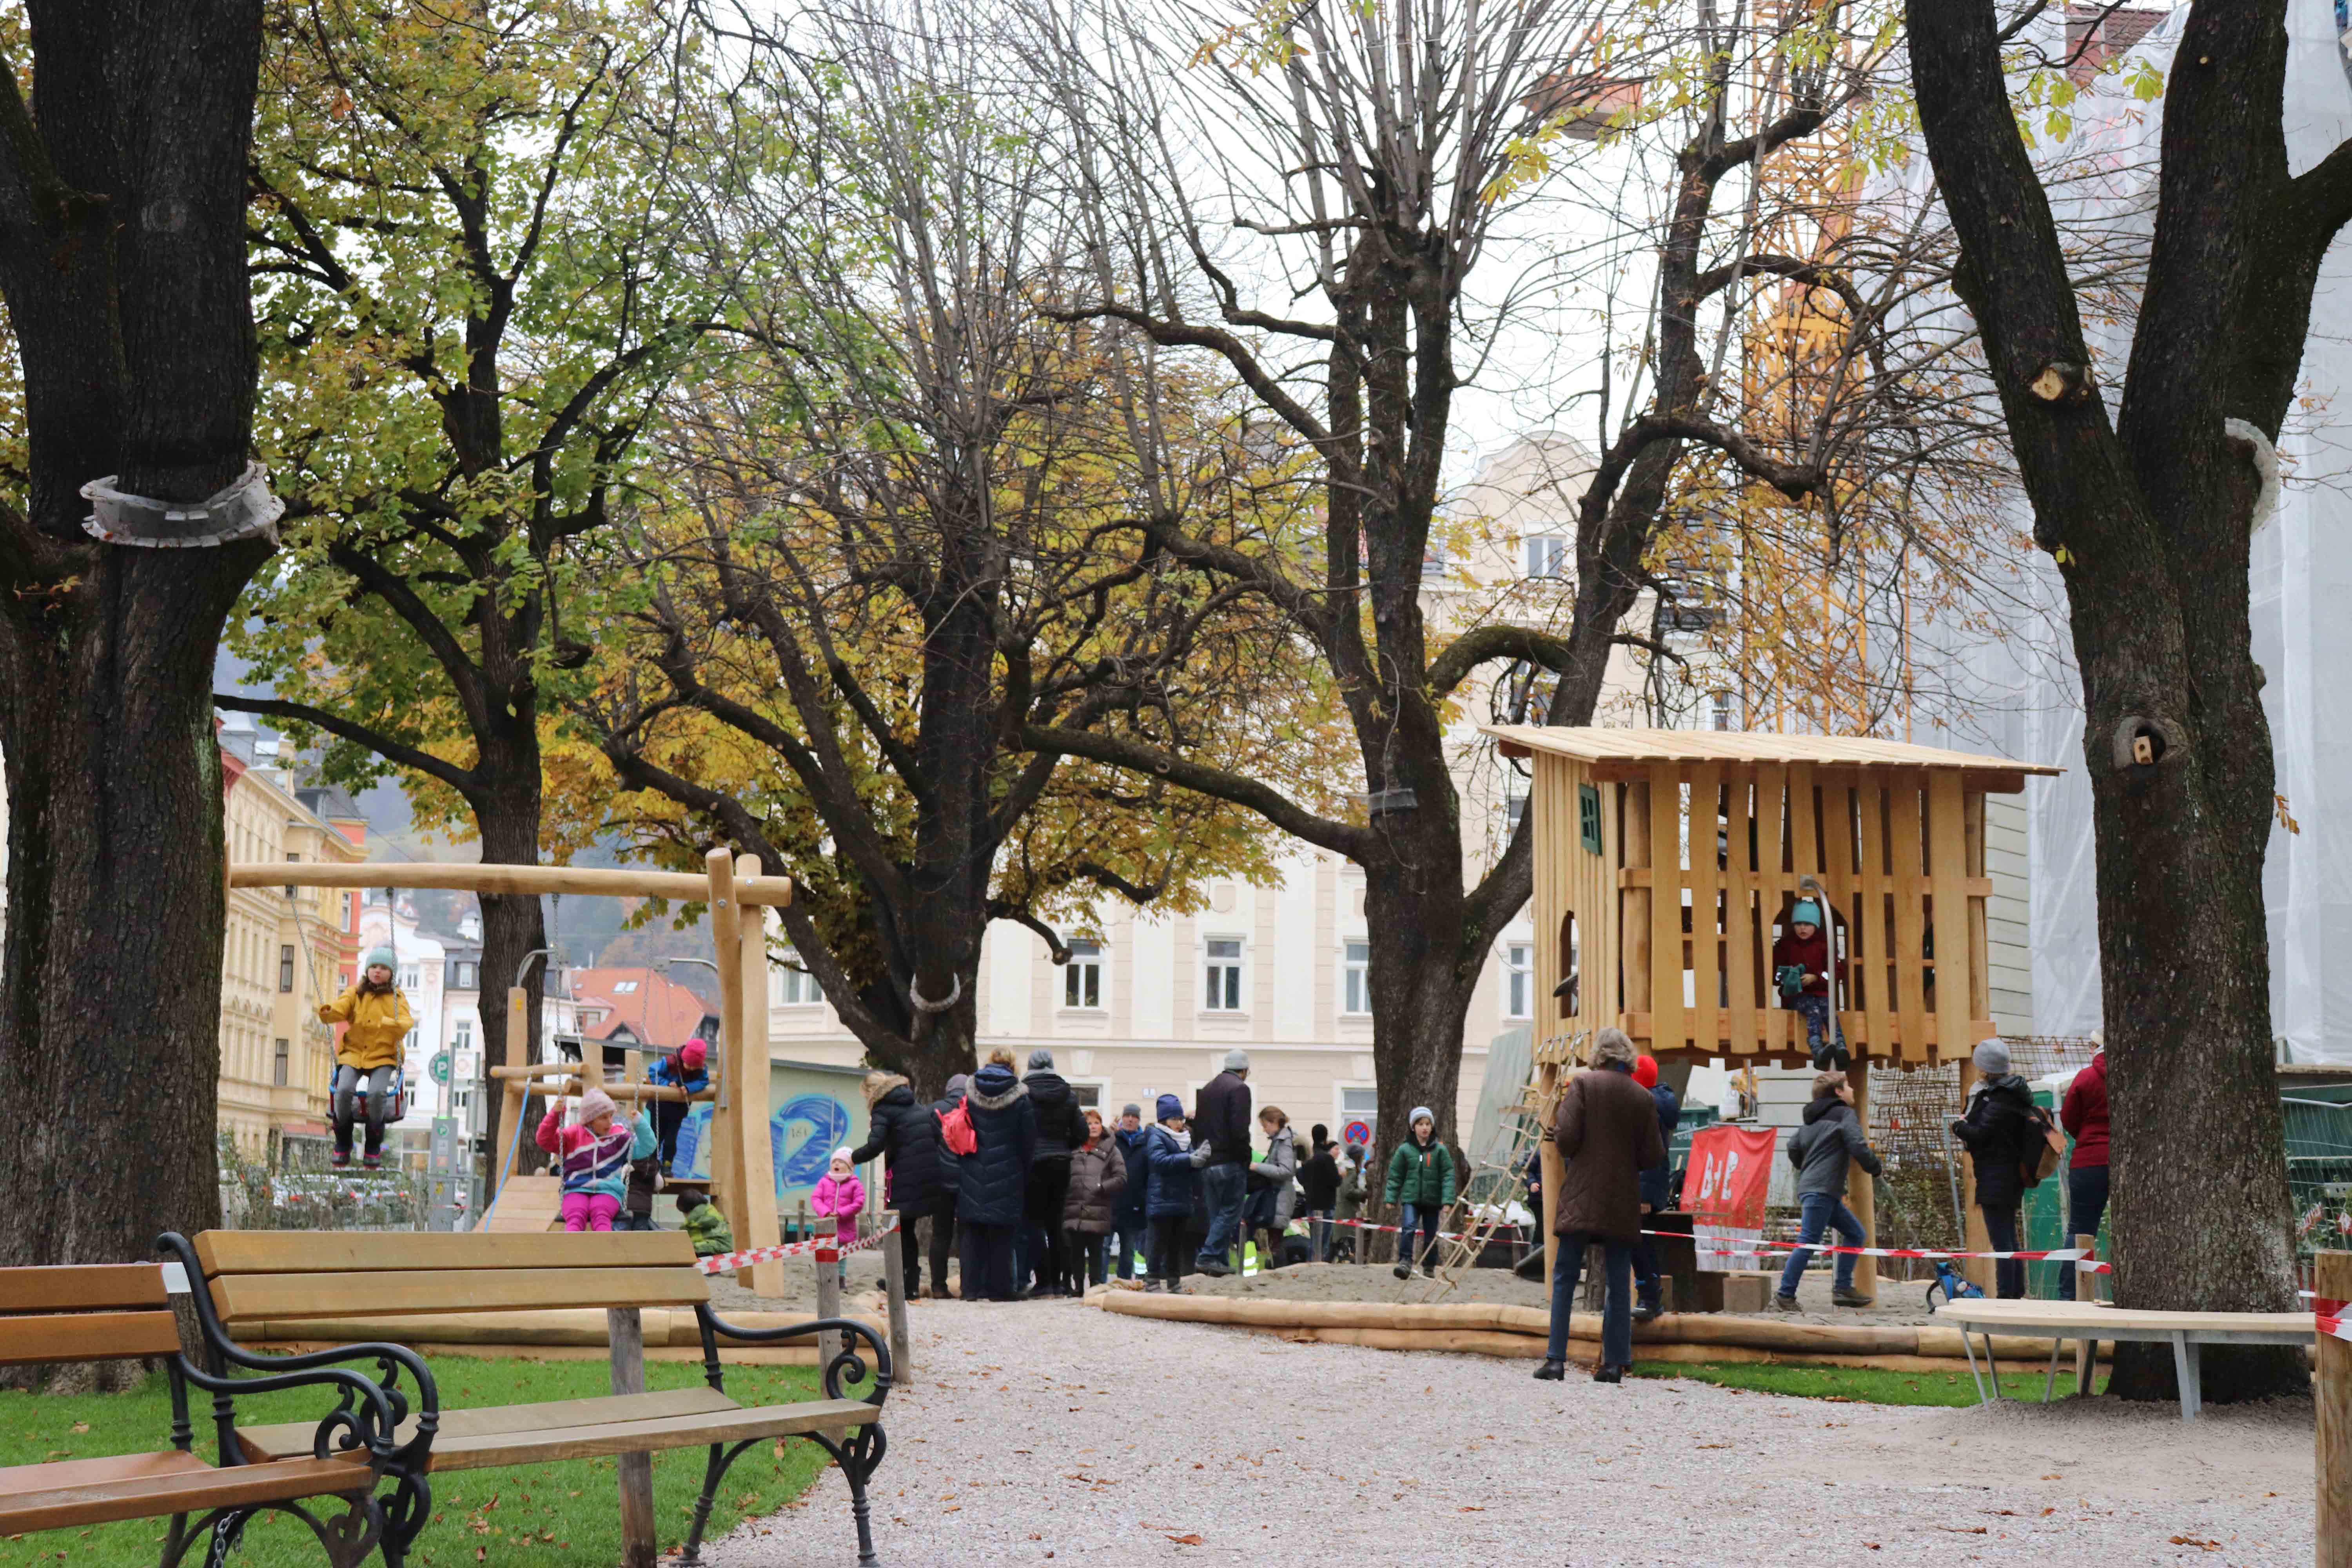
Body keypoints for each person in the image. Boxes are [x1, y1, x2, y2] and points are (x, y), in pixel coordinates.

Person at [1535, 1029, 1666, 1385]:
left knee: (1564, 1275)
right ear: (1627, 1059)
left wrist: (1564, 1137)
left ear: (1599, 1056)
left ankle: (1556, 1360)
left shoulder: (1583, 1085)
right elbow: (1653, 1155)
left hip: (1582, 1193)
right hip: (1622, 1198)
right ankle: (1614, 1364)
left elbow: (1568, 1139)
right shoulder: (1642, 1096)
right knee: (1619, 1279)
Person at [1774, 1070, 1882, 1311]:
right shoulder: (1845, 1114)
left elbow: (1793, 1146)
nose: (1853, 1090)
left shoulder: (1811, 1121)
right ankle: (1785, 1294)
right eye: (1849, 1086)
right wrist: (1874, 1166)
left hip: (1822, 1191)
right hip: (1821, 1190)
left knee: (1855, 1233)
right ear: (1838, 1092)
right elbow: (1857, 1143)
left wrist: (1806, 1166)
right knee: (1809, 1241)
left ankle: (1843, 1288)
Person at [1951, 1038, 2046, 1299]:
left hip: (1997, 1174)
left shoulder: (1999, 1098)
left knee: (2002, 1241)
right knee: (2009, 1239)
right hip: (2010, 1173)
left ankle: (2007, 1295)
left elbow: (1981, 1133)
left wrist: (1958, 1127)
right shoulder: (2015, 1094)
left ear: (1985, 1067)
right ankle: (2015, 1291)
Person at [851, 1071, 950, 1297]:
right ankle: (909, 1282)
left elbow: (875, 1145)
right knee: (906, 1228)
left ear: (870, 1092)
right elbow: (935, 1133)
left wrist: (852, 1158)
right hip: (928, 1173)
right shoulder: (913, 1103)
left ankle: (904, 1283)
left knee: (900, 1229)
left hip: (906, 1176)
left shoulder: (883, 1108)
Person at [318, 947, 414, 1170]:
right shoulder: (356, 992)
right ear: (367, 970)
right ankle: (343, 1139)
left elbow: (406, 1023)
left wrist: (391, 1025)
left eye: (383, 968)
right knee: (343, 1090)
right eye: (373, 967)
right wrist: (328, 1012)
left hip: (383, 1053)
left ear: (392, 973)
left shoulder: (397, 998)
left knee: (377, 1093)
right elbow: (341, 1008)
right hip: (354, 1052)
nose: (377, 972)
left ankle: (373, 1143)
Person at [956, 1055, 1036, 1301]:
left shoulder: (969, 1093)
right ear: (1013, 1065)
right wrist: (1023, 1169)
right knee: (1002, 1234)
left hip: (973, 1168)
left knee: (973, 1232)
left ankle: (970, 1290)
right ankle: (999, 1290)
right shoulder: (1021, 1098)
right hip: (1009, 1171)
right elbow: (1028, 1140)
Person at [536, 1087, 656, 1233]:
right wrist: (555, 1115)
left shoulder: (618, 1137)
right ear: (590, 1120)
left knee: (600, 1214)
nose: (610, 1122)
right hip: (576, 1189)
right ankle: (570, 1251)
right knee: (576, 1214)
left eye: (611, 1116)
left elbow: (648, 1147)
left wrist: (640, 1123)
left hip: (608, 1191)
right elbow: (544, 1140)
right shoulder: (573, 1135)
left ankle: (604, 1253)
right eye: (604, 1118)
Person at [1020, 1049, 1090, 1297]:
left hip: (1033, 1163)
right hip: (1061, 1163)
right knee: (1057, 1222)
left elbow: (1020, 1130)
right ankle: (1062, 1283)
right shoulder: (1069, 1095)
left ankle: (1043, 1281)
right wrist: (1064, 1147)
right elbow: (1082, 1133)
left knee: (1032, 1223)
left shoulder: (1023, 1094)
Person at [1191, 1051, 1253, 1276]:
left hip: (1208, 1162)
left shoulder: (1208, 1089)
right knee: (1231, 1213)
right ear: (1244, 1071)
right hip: (1229, 1161)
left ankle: (1219, 1263)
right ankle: (1208, 1256)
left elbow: (1198, 1126)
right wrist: (1245, 1157)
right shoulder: (1240, 1089)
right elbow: (1240, 1130)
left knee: (1217, 1216)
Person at [1144, 1094, 1214, 1292]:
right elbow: (1159, 1161)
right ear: (1164, 1120)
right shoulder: (1155, 1136)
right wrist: (1190, 1159)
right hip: (1162, 1198)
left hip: (1182, 1199)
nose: (1179, 1123)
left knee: (1177, 1245)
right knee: (1158, 1243)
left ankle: (1175, 1282)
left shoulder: (1185, 1139)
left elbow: (1189, 1164)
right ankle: (1152, 1281)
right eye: (1175, 1119)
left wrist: (1200, 1159)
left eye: (1181, 1119)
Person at [1631, 1055, 1680, 1320]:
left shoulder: (1647, 1107)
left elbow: (1650, 1153)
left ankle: (1650, 1297)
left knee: (1640, 1243)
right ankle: (1649, 1295)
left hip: (1644, 1186)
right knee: (1638, 1241)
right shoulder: (1656, 1102)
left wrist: (1645, 1194)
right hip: (1645, 1183)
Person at [1773, 899, 1847, 1071]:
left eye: (1807, 924)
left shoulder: (1824, 945)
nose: (1803, 929)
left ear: (1816, 925)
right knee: (1813, 1011)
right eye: (1799, 924)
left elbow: (1837, 972)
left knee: (1828, 1011)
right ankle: (1818, 1050)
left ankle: (1841, 1048)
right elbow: (1776, 975)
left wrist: (1817, 977)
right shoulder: (1786, 946)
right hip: (1796, 996)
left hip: (1821, 993)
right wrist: (1791, 977)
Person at [1384, 1108, 1457, 1279]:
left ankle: (1430, 1265)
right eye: (1420, 1124)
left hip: (1433, 1200)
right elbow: (1395, 1175)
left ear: (1432, 1127)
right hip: (1411, 1198)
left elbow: (1448, 1175)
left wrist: (1447, 1200)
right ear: (1413, 1127)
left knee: (1431, 1234)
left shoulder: (1440, 1150)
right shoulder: (1405, 1150)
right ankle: (1405, 1262)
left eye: (1428, 1124)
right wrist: (1391, 1198)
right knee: (1409, 1228)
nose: (1425, 1128)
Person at [1062, 1108, 1129, 1293]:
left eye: (1097, 1123)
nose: (1093, 1127)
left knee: (1096, 1252)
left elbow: (1121, 1177)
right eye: (1089, 1123)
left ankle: (1095, 1287)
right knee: (1076, 1251)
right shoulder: (1073, 1148)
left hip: (1098, 1209)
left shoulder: (1112, 1150)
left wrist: (1101, 1187)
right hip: (1074, 1208)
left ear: (1102, 1126)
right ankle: (1077, 1288)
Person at [930, 1073, 970, 1298]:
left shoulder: (935, 1109)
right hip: (967, 1179)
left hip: (941, 1180)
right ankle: (968, 1285)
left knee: (941, 1233)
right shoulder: (973, 1108)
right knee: (967, 1234)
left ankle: (938, 1286)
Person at [1246, 1107, 1299, 1270]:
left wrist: (1257, 1167)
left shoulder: (1284, 1142)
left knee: (1276, 1242)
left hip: (1280, 1198)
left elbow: (1285, 1170)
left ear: (1274, 1122)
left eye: (1265, 1125)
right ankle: (1279, 1273)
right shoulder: (1281, 1140)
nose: (1264, 1129)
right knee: (1274, 1241)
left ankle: (1281, 1274)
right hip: (1278, 1197)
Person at [646, 1037, 709, 1171]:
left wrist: (688, 1087)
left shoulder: (700, 1070)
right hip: (659, 1107)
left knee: (671, 1140)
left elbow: (704, 1082)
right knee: (655, 1137)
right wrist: (667, 1085)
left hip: (677, 1111)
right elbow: (653, 1071)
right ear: (684, 1058)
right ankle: (651, 1164)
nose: (692, 1069)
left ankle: (667, 1165)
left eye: (695, 1066)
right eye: (689, 1065)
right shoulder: (670, 1062)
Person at [811, 1148, 865, 1286]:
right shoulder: (824, 1182)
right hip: (826, 1225)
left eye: (841, 1162)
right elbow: (816, 1198)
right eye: (834, 1161)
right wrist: (826, 1213)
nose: (837, 1164)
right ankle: (826, 1277)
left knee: (841, 1254)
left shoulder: (855, 1184)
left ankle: (840, 1279)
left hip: (845, 1226)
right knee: (826, 1252)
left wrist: (841, 1213)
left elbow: (859, 1203)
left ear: (849, 1167)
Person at [1112, 1104, 1151, 1282]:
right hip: (1111, 1203)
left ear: (1138, 1120)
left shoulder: (1145, 1143)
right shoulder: (1113, 1139)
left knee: (1128, 1249)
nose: (1130, 1119)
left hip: (1134, 1205)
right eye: (1127, 1115)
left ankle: (1124, 1282)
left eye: (1134, 1117)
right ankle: (1100, 1283)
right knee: (1104, 1247)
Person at [1297, 1129, 1341, 1263]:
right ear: (1325, 1138)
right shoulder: (1327, 1158)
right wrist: (1341, 1175)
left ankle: (1311, 1262)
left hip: (1311, 1203)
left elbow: (1300, 1175)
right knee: (1323, 1241)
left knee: (1314, 1238)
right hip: (1326, 1204)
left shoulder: (1308, 1158)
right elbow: (1336, 1181)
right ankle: (1318, 1264)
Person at [676, 1188, 734, 1258]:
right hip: (726, 1247)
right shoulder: (711, 1210)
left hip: (712, 1248)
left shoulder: (694, 1219)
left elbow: (686, 1237)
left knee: (683, 1250)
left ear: (685, 1209)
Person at [1334, 1143, 1368, 1262]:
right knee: (1347, 1240)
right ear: (1358, 1157)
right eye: (1363, 1157)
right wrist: (1364, 1193)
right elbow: (1348, 1191)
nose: (1364, 1159)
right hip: (1347, 1211)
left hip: (1342, 1209)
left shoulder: (1344, 1167)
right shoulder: (1352, 1170)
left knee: (1341, 1242)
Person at [619, 1145, 661, 1232]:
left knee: (623, 1236)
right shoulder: (652, 1165)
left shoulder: (624, 1163)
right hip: (643, 1208)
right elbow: (659, 1185)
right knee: (640, 1238)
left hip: (626, 1205)